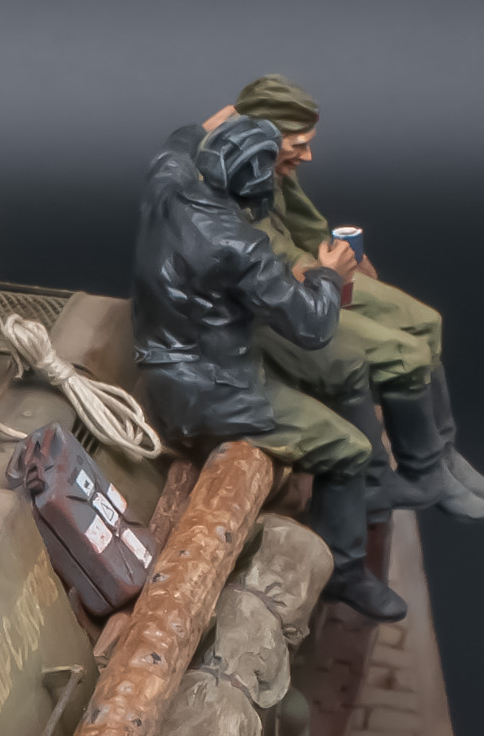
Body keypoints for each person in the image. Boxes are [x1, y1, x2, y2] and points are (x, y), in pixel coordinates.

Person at [130, 110, 408, 621]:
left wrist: (230, 117)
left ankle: (362, 495)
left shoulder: (166, 181)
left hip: (166, 358)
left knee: (334, 370)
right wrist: (329, 274)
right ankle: (345, 575)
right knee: (348, 449)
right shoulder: (241, 246)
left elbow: (182, 136)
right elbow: (312, 326)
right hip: (213, 391)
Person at [230, 73, 484, 520]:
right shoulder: (230, 181)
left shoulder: (269, 163)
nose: (307, 155)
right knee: (404, 354)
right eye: (298, 144)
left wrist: (339, 254)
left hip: (312, 270)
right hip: (282, 299)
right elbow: (263, 269)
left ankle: (441, 452)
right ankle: (423, 471)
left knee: (424, 321)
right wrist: (326, 274)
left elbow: (301, 219)